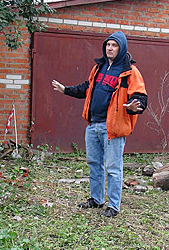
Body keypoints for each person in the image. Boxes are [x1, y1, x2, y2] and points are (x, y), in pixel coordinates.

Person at [52, 31, 147, 217]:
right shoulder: (99, 68)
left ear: (122, 48)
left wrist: (135, 107)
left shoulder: (130, 72)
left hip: (113, 127)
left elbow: (140, 96)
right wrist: (66, 90)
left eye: (114, 45)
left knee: (113, 168)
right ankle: (96, 199)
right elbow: (86, 88)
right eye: (108, 45)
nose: (110, 48)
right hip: (93, 124)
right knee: (94, 163)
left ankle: (113, 206)